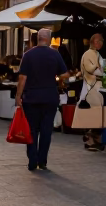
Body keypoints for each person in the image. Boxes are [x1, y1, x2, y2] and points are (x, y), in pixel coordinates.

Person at [16, 28, 70, 172]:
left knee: (32, 130)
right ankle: (42, 161)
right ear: (49, 38)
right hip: (50, 97)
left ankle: (32, 160)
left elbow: (22, 78)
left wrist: (18, 96)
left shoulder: (28, 55)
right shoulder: (55, 54)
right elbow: (65, 74)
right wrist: (56, 77)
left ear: (37, 38)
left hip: (31, 98)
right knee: (46, 130)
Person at [78, 33, 106, 151]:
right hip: (91, 88)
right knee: (95, 114)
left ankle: (96, 140)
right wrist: (104, 72)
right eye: (100, 41)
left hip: (97, 88)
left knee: (98, 115)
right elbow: (93, 69)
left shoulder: (96, 54)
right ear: (95, 42)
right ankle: (90, 140)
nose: (101, 43)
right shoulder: (88, 54)